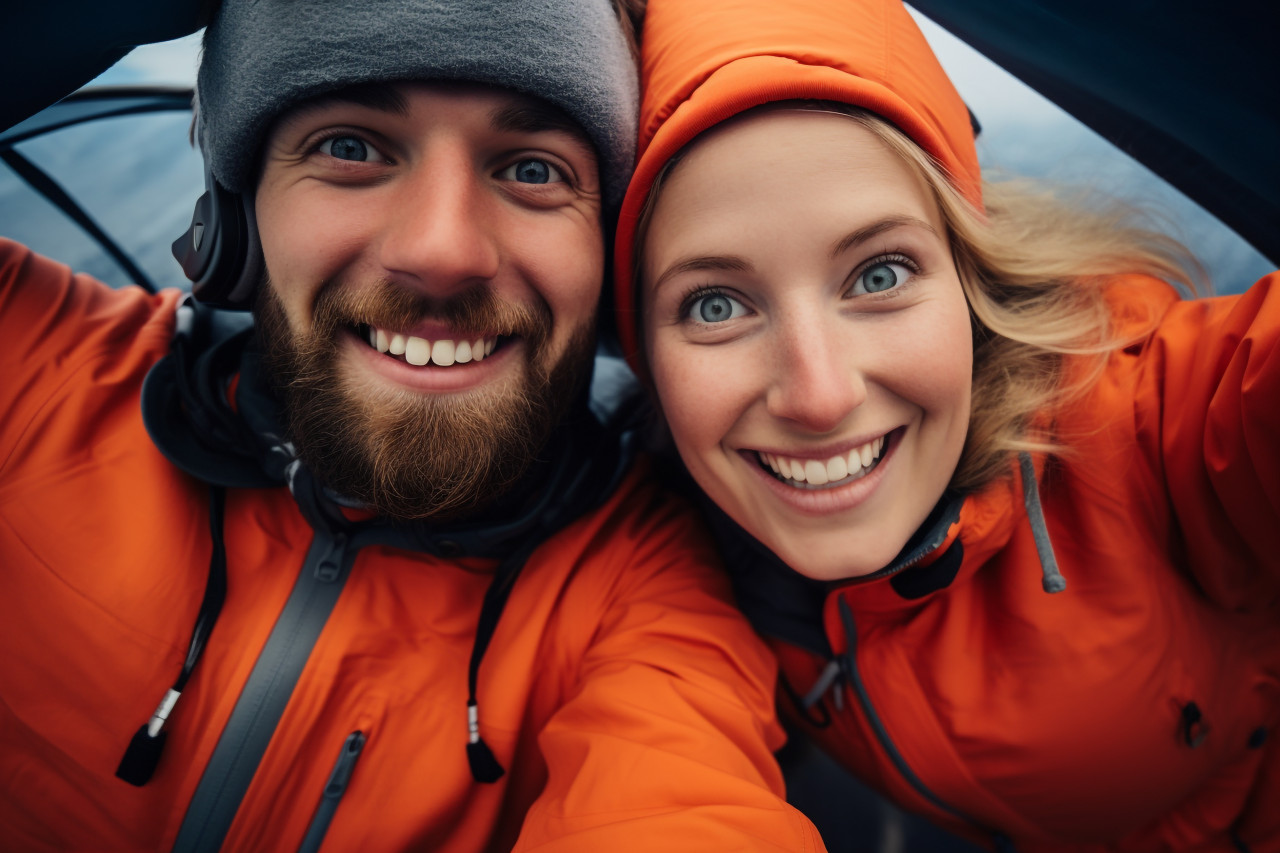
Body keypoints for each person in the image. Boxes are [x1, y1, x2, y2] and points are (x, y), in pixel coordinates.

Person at [0, 1, 829, 851]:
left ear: (610, 256)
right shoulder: (33, 371)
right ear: (234, 225)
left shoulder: (646, 586)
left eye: (534, 170)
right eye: (350, 147)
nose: (442, 250)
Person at [611, 0, 1280, 850]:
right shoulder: (673, 543)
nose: (818, 396)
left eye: (879, 273)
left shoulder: (1150, 419)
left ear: (968, 275)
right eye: (715, 304)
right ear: (644, 353)